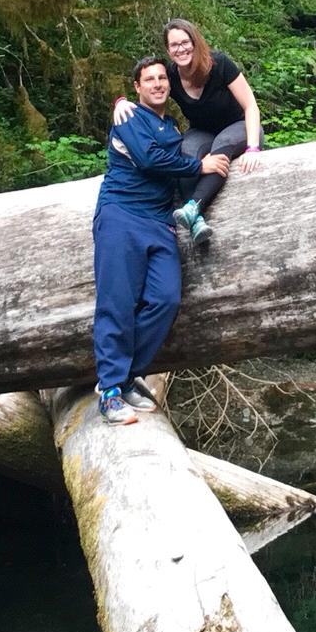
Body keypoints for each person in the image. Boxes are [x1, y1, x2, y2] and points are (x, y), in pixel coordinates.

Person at [91, 56, 230, 425]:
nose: (157, 84)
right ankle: (109, 392)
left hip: (159, 221)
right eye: (148, 79)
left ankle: (126, 376)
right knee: (117, 303)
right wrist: (201, 166)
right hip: (121, 216)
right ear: (137, 87)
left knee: (166, 299)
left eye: (161, 78)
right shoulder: (129, 119)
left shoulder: (170, 126)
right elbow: (149, 160)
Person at [112, 18, 262, 248]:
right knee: (185, 151)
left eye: (185, 42)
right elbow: (148, 86)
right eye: (174, 45)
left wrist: (253, 147)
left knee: (221, 144)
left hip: (238, 126)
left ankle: (193, 207)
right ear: (168, 50)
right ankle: (196, 222)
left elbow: (250, 105)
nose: (181, 49)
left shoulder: (219, 63)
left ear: (195, 41)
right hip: (202, 132)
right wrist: (121, 102)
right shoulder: (170, 75)